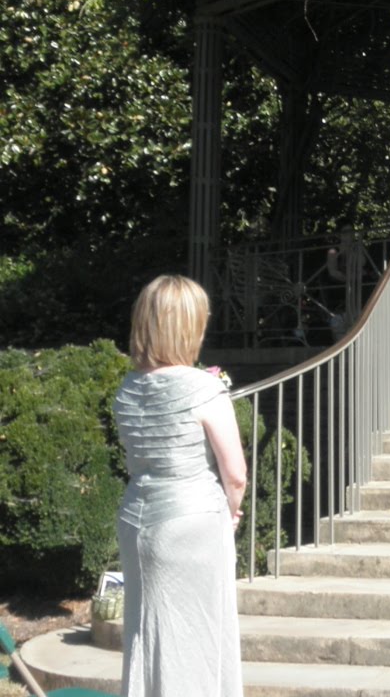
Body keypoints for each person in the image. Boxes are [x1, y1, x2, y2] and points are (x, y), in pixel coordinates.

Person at [114, 275, 247, 697]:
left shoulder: (127, 388)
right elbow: (235, 474)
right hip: (192, 524)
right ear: (190, 327)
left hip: (136, 520)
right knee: (196, 637)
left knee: (146, 631)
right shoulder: (203, 388)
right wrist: (231, 512)